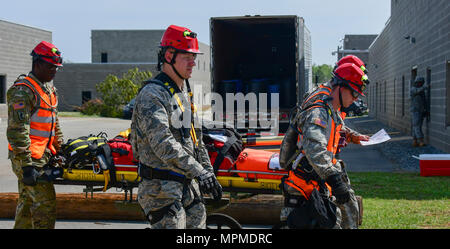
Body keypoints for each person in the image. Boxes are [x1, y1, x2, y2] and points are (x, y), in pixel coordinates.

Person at [130, 25, 222, 229]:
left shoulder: (181, 95)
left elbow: (196, 141)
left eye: (194, 56)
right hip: (161, 191)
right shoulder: (152, 95)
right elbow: (163, 144)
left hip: (187, 186)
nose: (193, 62)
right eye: (187, 56)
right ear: (169, 55)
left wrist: (208, 173)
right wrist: (200, 172)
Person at [279, 62, 370, 229]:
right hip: (307, 184)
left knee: (347, 213)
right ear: (341, 87)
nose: (355, 100)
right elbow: (315, 148)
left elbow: (335, 124)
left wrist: (354, 136)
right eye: (354, 94)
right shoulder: (318, 110)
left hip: (318, 178)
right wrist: (335, 181)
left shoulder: (329, 101)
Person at [6, 41, 64, 229]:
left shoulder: (48, 90)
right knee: (45, 207)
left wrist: (60, 149)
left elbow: (54, 125)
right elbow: (17, 129)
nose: (54, 71)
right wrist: (26, 165)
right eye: (50, 66)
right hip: (28, 159)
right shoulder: (23, 91)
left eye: (56, 67)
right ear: (37, 63)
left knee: (27, 206)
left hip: (42, 156)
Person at [410, 76, 428, 147]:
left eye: (422, 83)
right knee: (416, 125)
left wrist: (426, 110)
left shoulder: (421, 91)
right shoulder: (413, 89)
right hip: (415, 111)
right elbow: (416, 91)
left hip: (421, 111)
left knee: (417, 126)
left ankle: (415, 141)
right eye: (420, 83)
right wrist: (425, 87)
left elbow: (424, 101)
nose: (421, 84)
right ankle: (420, 140)